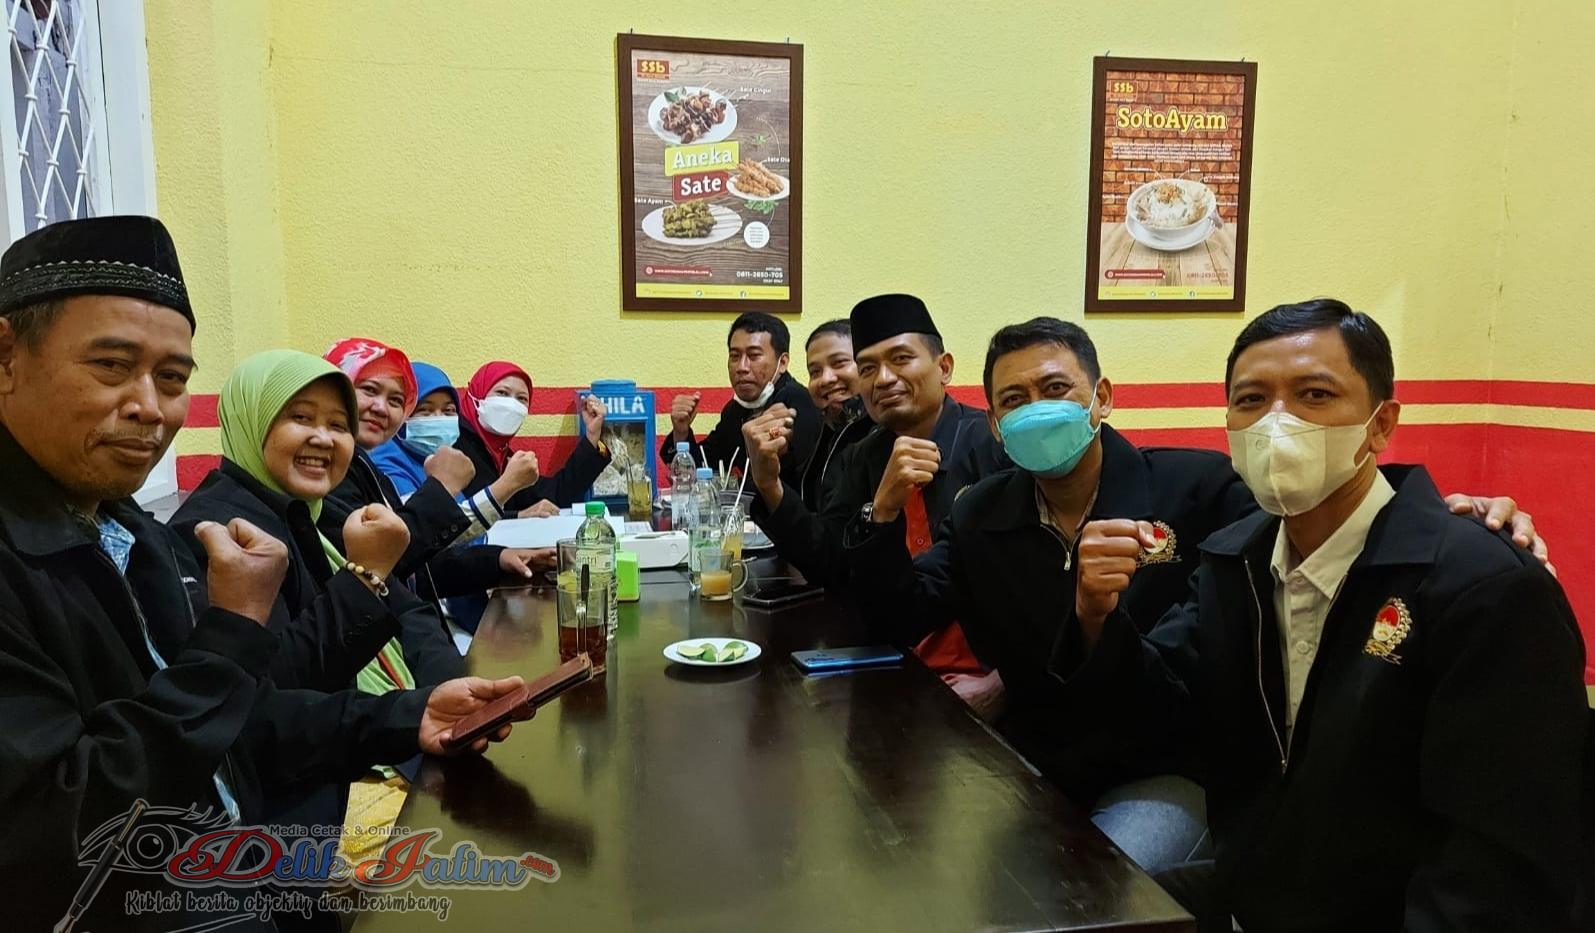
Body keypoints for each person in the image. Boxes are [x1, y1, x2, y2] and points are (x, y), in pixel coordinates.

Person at [0, 217, 521, 932]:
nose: (149, 406)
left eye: (172, 378)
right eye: (111, 366)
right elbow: (62, 831)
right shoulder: (216, 531)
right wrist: (235, 629)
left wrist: (410, 714)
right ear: (7, 357)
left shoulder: (132, 531)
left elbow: (237, 724)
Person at [1055, 299, 1586, 930]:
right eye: (1251, 400)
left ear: (1380, 424)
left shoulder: (1482, 587)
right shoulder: (1234, 562)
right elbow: (1163, 712)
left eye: (1314, 395)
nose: (1277, 423)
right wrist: (1096, 615)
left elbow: (1503, 866)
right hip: (1260, 892)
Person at [742, 293, 1008, 693]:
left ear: (944, 367)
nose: (882, 379)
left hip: (985, 678)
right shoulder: (863, 454)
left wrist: (1002, 685)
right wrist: (769, 484)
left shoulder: (991, 444)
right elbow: (830, 560)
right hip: (893, 665)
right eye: (867, 368)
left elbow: (1033, 583)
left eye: (900, 359)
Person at [322, 339, 551, 601]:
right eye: (369, 390)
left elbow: (425, 565)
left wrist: (498, 559)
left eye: (396, 400)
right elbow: (404, 549)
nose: (381, 408)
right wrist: (492, 486)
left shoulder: (369, 465)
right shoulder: (358, 468)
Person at [662, 311, 821, 485]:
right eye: (735, 356)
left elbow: (806, 486)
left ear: (782, 363)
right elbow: (703, 466)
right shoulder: (734, 410)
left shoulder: (799, 404)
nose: (742, 367)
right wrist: (681, 431)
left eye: (754, 356)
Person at [454, 359, 611, 514]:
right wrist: (519, 516)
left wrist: (592, 435)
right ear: (477, 393)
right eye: (502, 393)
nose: (511, 405)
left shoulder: (501, 455)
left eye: (521, 398)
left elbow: (556, 495)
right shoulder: (455, 443)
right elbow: (454, 519)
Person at [797, 318, 871, 511]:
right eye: (815, 372)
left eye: (839, 363)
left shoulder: (887, 433)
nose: (826, 379)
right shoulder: (825, 429)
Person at [368, 359, 462, 498]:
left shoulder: (446, 460)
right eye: (424, 410)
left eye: (448, 410)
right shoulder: (384, 461)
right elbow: (413, 510)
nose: (438, 418)